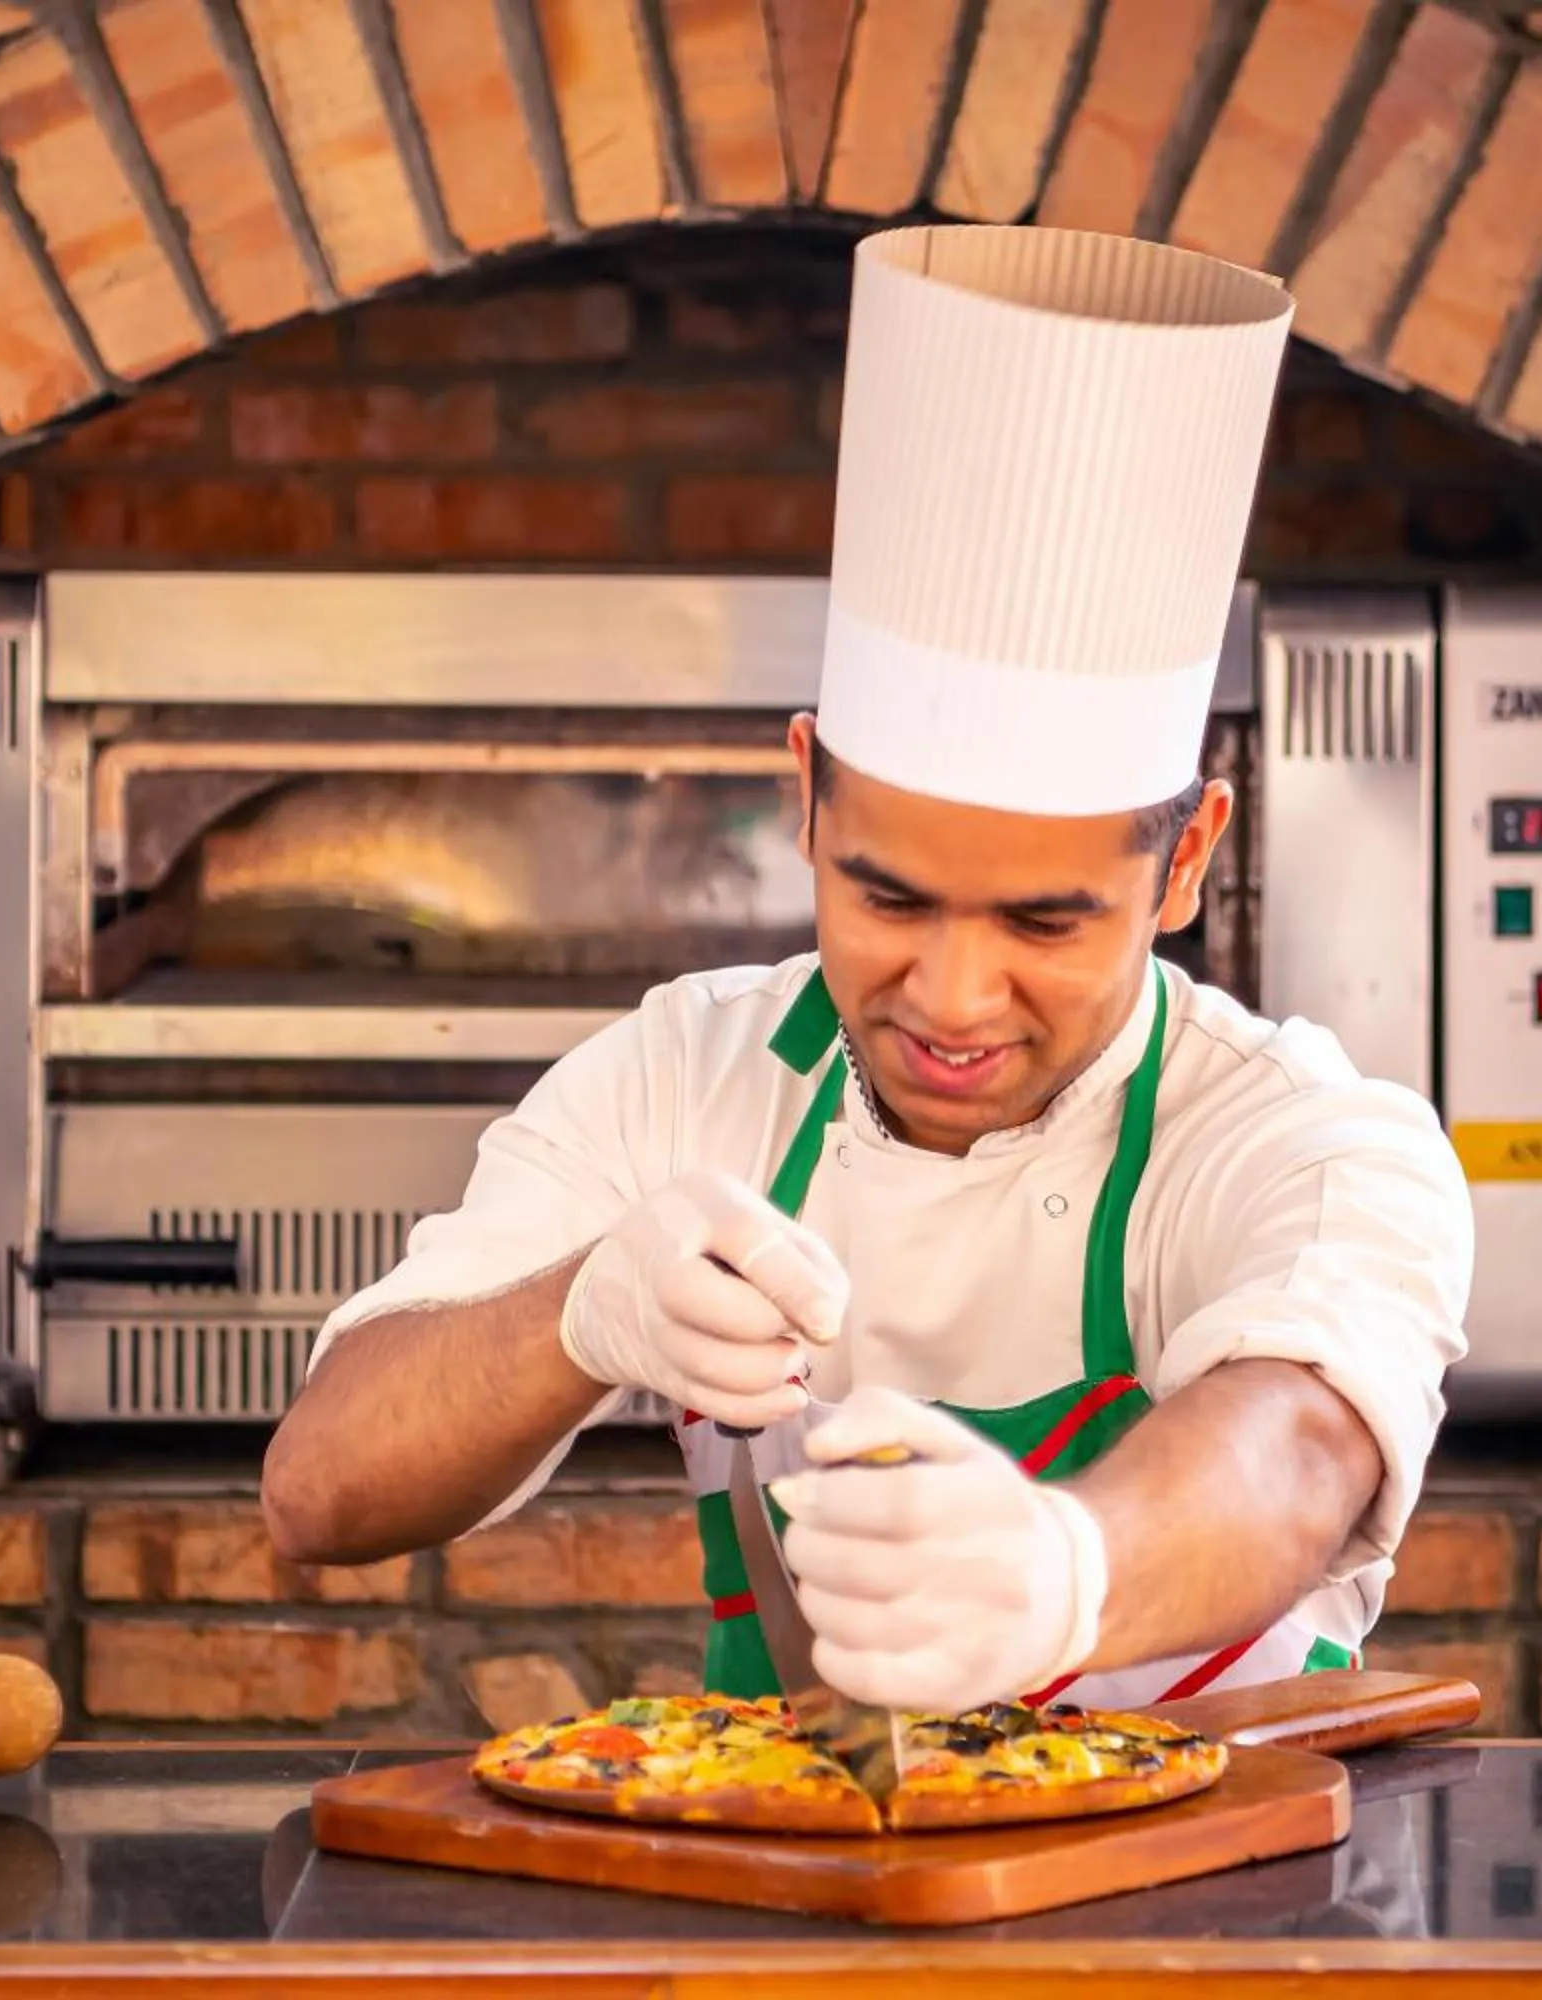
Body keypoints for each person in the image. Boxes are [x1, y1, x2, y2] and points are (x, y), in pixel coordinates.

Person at [260, 224, 1473, 1718]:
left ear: (1185, 859)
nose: (953, 998)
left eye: (1045, 924)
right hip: (794, 1909)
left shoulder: (1307, 1141)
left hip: (1218, 1933)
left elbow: (1296, 1450)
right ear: (805, 798)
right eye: (886, 895)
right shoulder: (685, 1079)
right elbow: (319, 1491)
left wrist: (1064, 1573)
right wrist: (579, 1314)